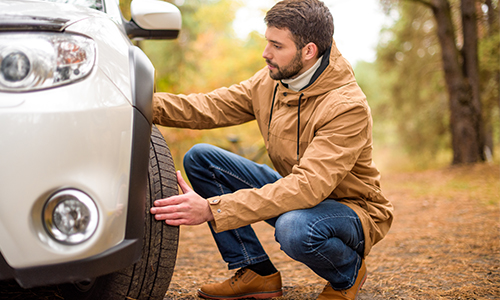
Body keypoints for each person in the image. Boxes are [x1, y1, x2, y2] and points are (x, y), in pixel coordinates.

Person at [150, 0, 394, 299]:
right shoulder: (273, 80)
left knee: (295, 229)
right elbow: (209, 107)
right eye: (268, 42)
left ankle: (348, 273)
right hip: (298, 193)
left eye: (277, 45)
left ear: (309, 51)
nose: (266, 53)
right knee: (202, 159)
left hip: (351, 211)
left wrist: (212, 209)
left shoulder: (346, 107)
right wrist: (142, 104)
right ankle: (256, 271)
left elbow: (308, 187)